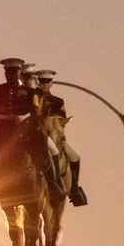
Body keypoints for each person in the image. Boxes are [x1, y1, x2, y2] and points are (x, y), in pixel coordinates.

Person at [36, 69, 86, 206]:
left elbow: (62, 118)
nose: (44, 85)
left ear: (51, 84)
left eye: (47, 82)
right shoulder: (35, 99)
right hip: (41, 134)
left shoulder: (58, 101)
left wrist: (55, 124)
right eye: (42, 82)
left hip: (56, 134)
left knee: (75, 157)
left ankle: (74, 189)